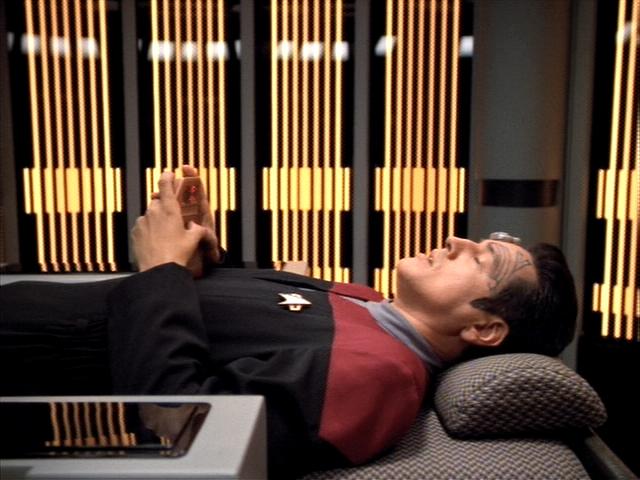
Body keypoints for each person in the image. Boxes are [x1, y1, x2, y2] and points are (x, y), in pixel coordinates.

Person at [0, 166, 578, 479]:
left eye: (481, 260)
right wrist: (202, 257)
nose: (454, 240)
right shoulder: (367, 302)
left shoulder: (379, 376)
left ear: (484, 329)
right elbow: (239, 330)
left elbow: (177, 423)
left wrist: (162, 269)